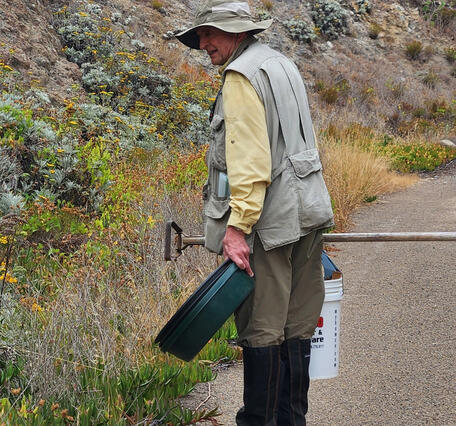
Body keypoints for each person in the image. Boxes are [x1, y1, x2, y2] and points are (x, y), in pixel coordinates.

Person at [176, 1, 334, 424]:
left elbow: (249, 162)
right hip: (305, 214)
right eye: (200, 36)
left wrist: (236, 228)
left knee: (263, 329)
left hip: (268, 226)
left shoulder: (241, 76)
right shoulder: (280, 63)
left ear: (238, 32)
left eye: (211, 33)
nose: (203, 43)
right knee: (297, 325)